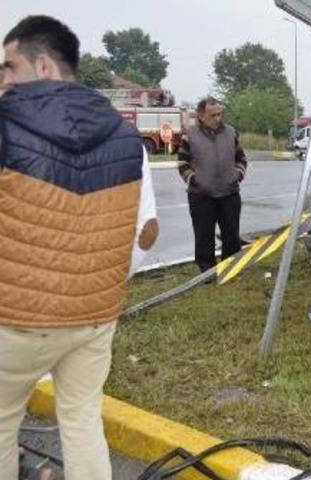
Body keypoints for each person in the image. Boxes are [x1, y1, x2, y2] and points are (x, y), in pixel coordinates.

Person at [0, 16, 157, 480]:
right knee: (82, 419)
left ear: (43, 65)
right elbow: (144, 232)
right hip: (95, 315)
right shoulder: (127, 136)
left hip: (19, 318)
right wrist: (98, 289)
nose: (4, 77)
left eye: (9, 65)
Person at [178, 97, 248, 272]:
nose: (218, 118)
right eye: (213, 115)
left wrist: (237, 175)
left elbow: (241, 159)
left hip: (229, 194)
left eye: (220, 114)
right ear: (201, 116)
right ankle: (207, 271)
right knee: (204, 236)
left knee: (231, 235)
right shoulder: (190, 135)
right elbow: (182, 164)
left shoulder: (231, 132)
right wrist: (195, 180)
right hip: (201, 196)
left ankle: (230, 268)